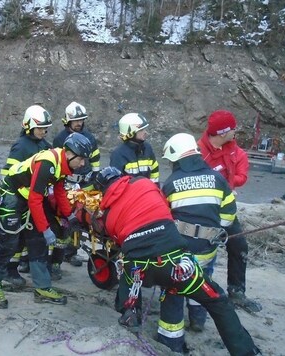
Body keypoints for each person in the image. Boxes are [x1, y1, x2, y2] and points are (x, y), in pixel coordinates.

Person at [92, 167, 260, 355]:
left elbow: (117, 241)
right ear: (122, 177)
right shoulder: (144, 183)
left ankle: (130, 321)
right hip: (175, 263)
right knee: (217, 300)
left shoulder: (107, 216)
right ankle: (246, 351)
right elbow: (166, 206)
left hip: (139, 269)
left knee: (128, 281)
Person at [0, 132, 91, 308]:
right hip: (12, 195)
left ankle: (42, 287)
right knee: (9, 242)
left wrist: (70, 216)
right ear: (69, 153)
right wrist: (46, 229)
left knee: (37, 242)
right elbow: (35, 199)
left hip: (28, 196)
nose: (82, 163)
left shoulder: (62, 164)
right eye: (81, 159)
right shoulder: (48, 163)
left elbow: (58, 191)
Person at [161, 133, 237, 337]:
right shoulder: (217, 178)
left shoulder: (171, 183)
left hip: (180, 250)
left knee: (174, 288)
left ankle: (171, 337)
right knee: (201, 282)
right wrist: (211, 230)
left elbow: (164, 220)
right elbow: (229, 217)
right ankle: (197, 320)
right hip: (207, 248)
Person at [197, 110, 261, 313]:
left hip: (225, 208)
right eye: (232, 128)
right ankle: (196, 291)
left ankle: (237, 292)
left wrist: (224, 183)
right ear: (223, 132)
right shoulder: (198, 152)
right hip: (201, 209)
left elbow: (242, 176)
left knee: (239, 245)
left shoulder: (236, 152)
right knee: (201, 250)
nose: (235, 132)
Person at [0, 105, 53, 287]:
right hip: (19, 200)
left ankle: (28, 264)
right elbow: (8, 174)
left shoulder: (44, 145)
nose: (44, 131)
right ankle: (10, 270)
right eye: (40, 128)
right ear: (28, 126)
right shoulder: (20, 147)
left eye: (45, 128)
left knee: (31, 236)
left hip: (35, 199)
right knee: (16, 237)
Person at [52, 101, 101, 267]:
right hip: (66, 183)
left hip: (86, 182)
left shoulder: (89, 137)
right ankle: (60, 251)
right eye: (76, 120)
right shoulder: (60, 139)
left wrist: (95, 178)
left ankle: (72, 251)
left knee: (81, 218)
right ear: (68, 120)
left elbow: (95, 159)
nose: (79, 123)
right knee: (65, 217)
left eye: (81, 120)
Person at [109, 113, 159, 184]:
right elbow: (115, 184)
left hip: (147, 193)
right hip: (130, 194)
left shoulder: (147, 148)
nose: (145, 132)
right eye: (141, 130)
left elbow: (154, 172)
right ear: (131, 133)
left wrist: (155, 189)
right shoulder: (118, 154)